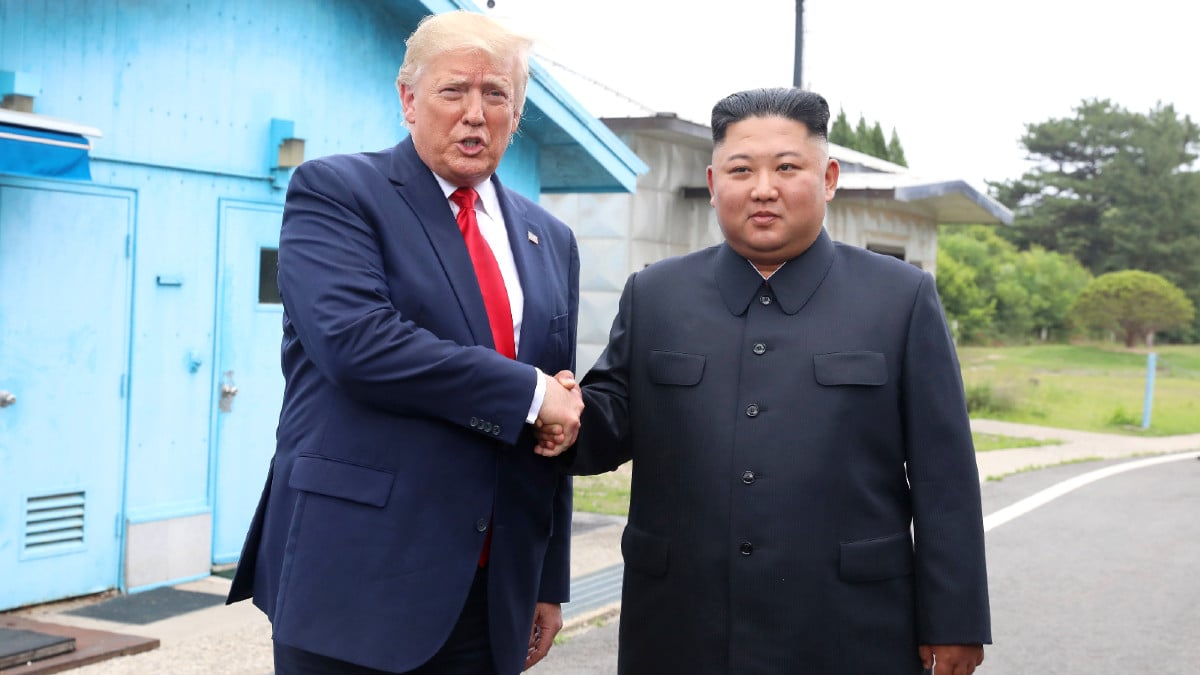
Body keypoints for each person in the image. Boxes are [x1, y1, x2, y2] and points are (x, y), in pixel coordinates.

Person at [538, 87, 991, 674]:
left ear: (827, 177)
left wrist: (954, 619)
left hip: (849, 626)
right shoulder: (656, 294)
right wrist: (562, 417)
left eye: (786, 167)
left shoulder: (899, 298)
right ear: (713, 181)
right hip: (680, 626)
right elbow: (611, 419)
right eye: (741, 169)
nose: (763, 188)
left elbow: (945, 473)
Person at [227, 10, 583, 675]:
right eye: (455, 91)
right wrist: (530, 392)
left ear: (517, 112)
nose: (475, 113)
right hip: (356, 580)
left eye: (495, 94)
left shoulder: (549, 239)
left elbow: (549, 428)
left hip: (491, 593)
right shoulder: (337, 193)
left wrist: (546, 579)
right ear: (409, 100)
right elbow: (358, 344)